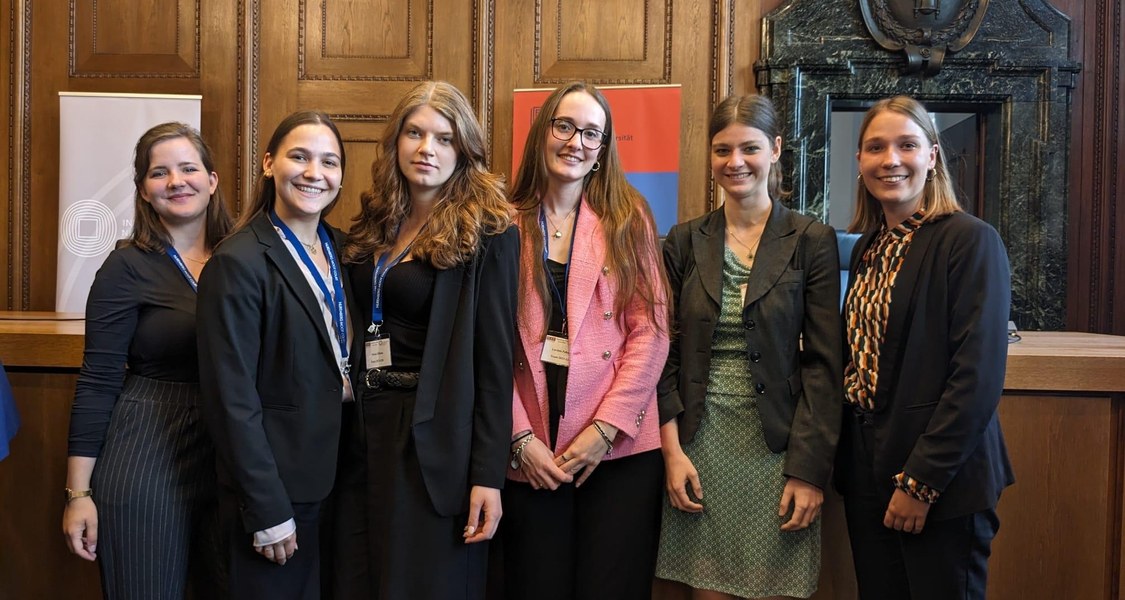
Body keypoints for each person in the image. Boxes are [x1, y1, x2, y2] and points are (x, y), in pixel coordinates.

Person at [334, 81, 517, 600]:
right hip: (361, 431)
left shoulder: (490, 233)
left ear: (463, 150)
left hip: (432, 439)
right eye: (415, 133)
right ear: (396, 141)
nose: (426, 149)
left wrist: (489, 475)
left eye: (443, 137)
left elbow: (495, 362)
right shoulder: (374, 223)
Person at [655, 94, 843, 600]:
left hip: (779, 451)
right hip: (700, 447)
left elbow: (826, 366)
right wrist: (671, 452)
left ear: (776, 149)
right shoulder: (684, 240)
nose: (735, 162)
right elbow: (662, 354)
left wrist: (809, 472)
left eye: (749, 148)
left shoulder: (811, 239)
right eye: (722, 150)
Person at [836, 95, 1014, 600]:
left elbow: (975, 379)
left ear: (932, 156)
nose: (891, 159)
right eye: (876, 147)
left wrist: (920, 483)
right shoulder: (870, 247)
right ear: (860, 161)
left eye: (907, 145)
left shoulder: (969, 240)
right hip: (869, 471)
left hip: (939, 482)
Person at [502, 81, 670, 600]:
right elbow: (485, 345)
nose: (576, 141)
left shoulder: (627, 216)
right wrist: (519, 438)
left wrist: (605, 428)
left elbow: (652, 330)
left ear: (603, 149)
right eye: (565, 126)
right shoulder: (502, 223)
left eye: (591, 133)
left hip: (617, 449)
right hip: (531, 451)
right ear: (543, 132)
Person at [62, 122, 232, 599]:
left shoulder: (240, 258)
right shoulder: (126, 267)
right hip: (148, 446)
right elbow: (96, 381)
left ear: (212, 180)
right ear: (142, 190)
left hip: (229, 448)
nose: (176, 181)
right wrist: (79, 494)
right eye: (160, 173)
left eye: (188, 168)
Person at [196, 110, 356, 599]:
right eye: (300, 157)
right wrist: (266, 508)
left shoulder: (344, 250)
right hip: (279, 492)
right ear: (269, 163)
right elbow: (231, 399)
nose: (314, 173)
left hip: (343, 478)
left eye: (329, 162)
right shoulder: (238, 260)